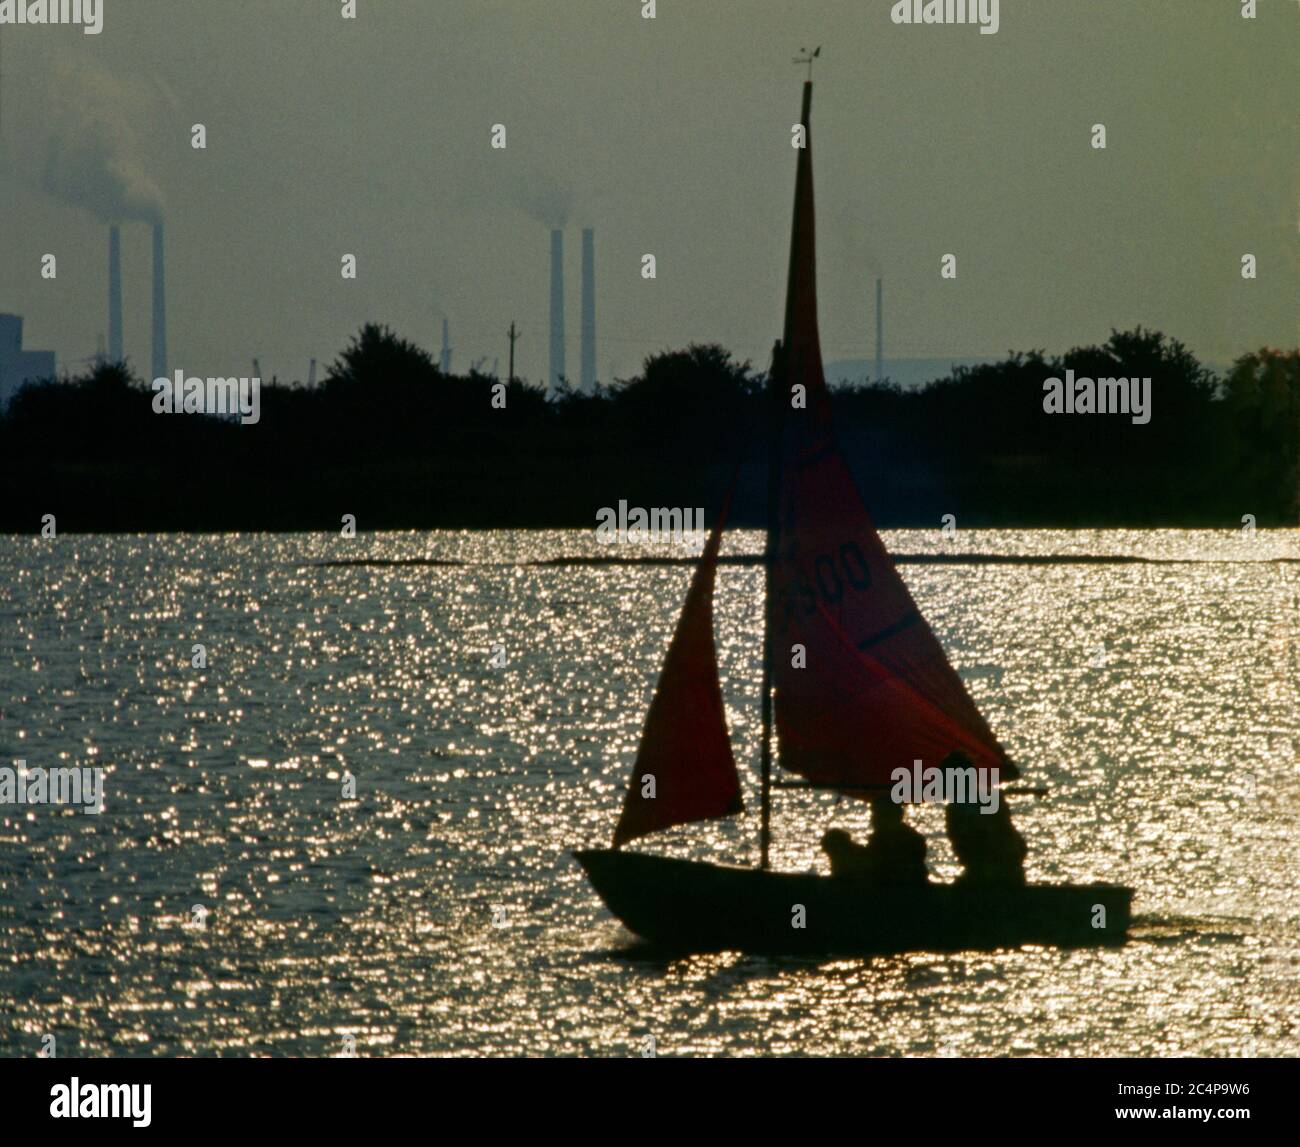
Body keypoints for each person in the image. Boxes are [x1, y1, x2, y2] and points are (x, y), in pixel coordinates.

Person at [943, 753, 1028, 887]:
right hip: (1009, 870)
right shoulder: (992, 798)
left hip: (989, 874)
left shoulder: (958, 808)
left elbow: (976, 842)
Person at [821, 795, 929, 887]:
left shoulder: (900, 840)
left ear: (895, 816)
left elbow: (876, 867)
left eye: (879, 814)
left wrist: (847, 848)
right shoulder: (888, 838)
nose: (873, 819)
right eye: (874, 814)